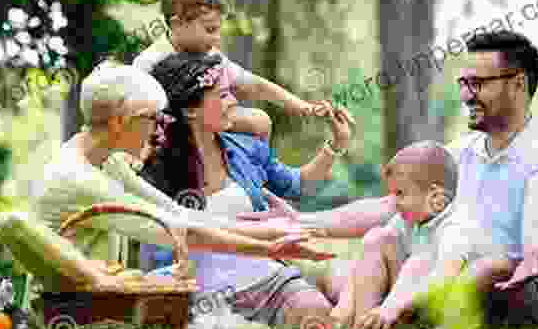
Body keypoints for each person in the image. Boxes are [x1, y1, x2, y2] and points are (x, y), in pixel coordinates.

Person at [327, 30, 538, 329]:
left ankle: (407, 326)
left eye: (478, 83)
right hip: (454, 281)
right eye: (464, 83)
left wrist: (533, 252)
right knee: (380, 241)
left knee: (492, 267)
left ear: (518, 84)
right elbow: (394, 204)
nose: (466, 95)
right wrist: (302, 222)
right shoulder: (460, 153)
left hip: (526, 290)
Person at [32, 61, 332, 287]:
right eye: (153, 119)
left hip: (101, 297)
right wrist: (267, 245)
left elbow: (175, 214)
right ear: (119, 123)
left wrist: (271, 231)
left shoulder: (104, 160)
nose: (159, 129)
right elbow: (177, 231)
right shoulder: (79, 178)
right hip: (72, 308)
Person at [141, 51, 353, 328]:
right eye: (223, 95)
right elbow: (160, 243)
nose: (234, 102)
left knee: (315, 315)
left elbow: (297, 183)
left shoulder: (246, 147)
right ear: (191, 110)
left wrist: (336, 144)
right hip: (197, 292)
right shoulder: (157, 167)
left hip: (267, 280)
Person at [133, 0, 337, 141]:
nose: (217, 37)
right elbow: (139, 118)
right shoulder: (149, 63)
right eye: (210, 29)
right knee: (257, 122)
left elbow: (255, 85)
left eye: (218, 29)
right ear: (177, 24)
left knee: (259, 122)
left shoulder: (211, 55)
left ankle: (253, 179)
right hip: (174, 138)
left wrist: (303, 107)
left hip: (213, 129)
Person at [335, 141, 507, 329]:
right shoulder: (409, 218)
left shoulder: (457, 226)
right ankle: (358, 324)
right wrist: (343, 307)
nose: (393, 202)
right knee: (377, 238)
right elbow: (366, 258)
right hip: (412, 301)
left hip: (449, 305)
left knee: (419, 261)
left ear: (436, 198)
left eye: (400, 193)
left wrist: (394, 306)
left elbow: (443, 279)